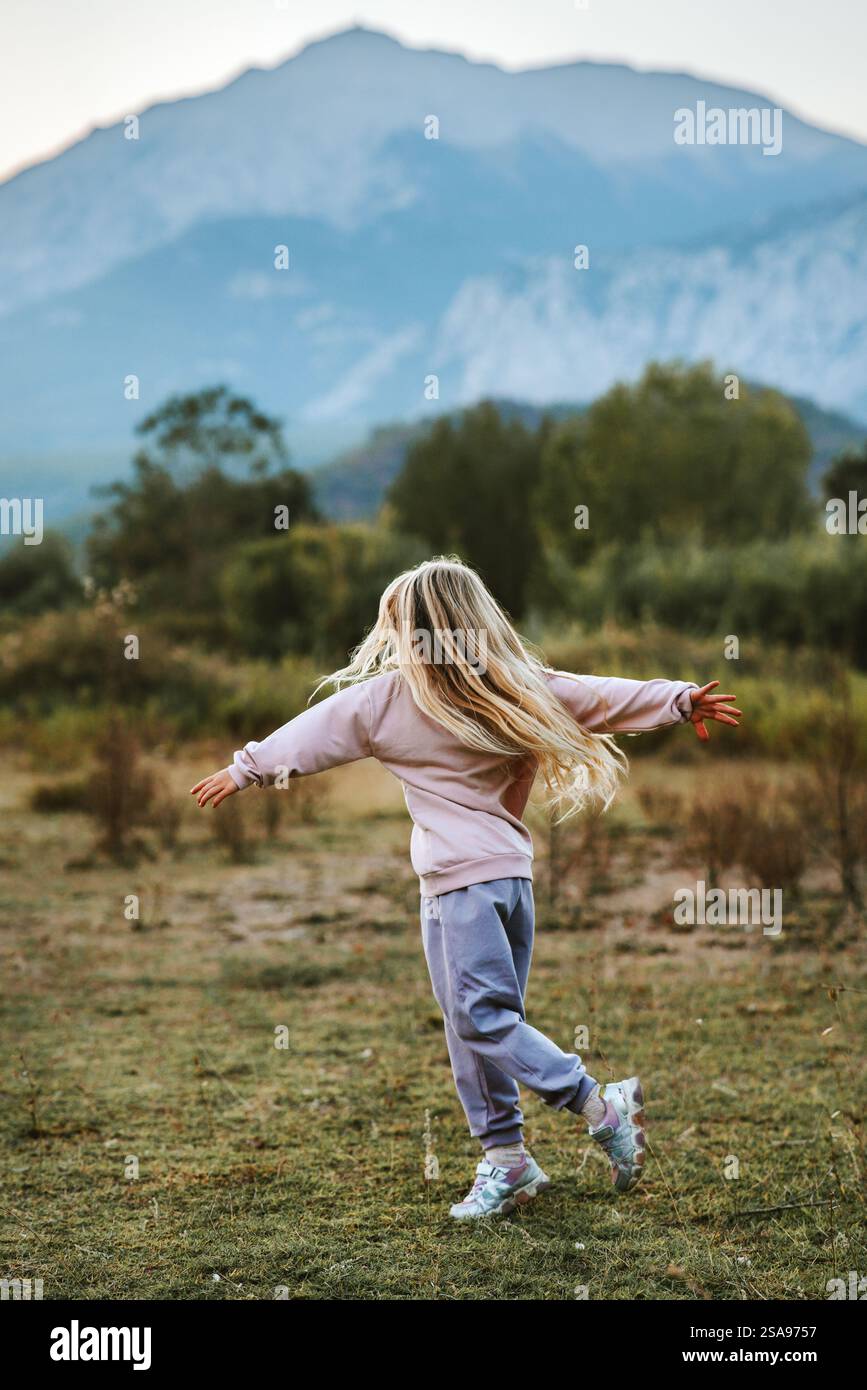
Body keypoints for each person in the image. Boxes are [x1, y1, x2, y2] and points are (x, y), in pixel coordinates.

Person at [192, 557, 740, 1219]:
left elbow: (320, 731)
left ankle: (600, 1105)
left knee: (480, 1019)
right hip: (507, 881)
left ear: (413, 629)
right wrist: (677, 700)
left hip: (461, 888)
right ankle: (507, 1161)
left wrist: (246, 768)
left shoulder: (390, 700)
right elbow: (597, 697)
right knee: (475, 1025)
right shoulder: (517, 687)